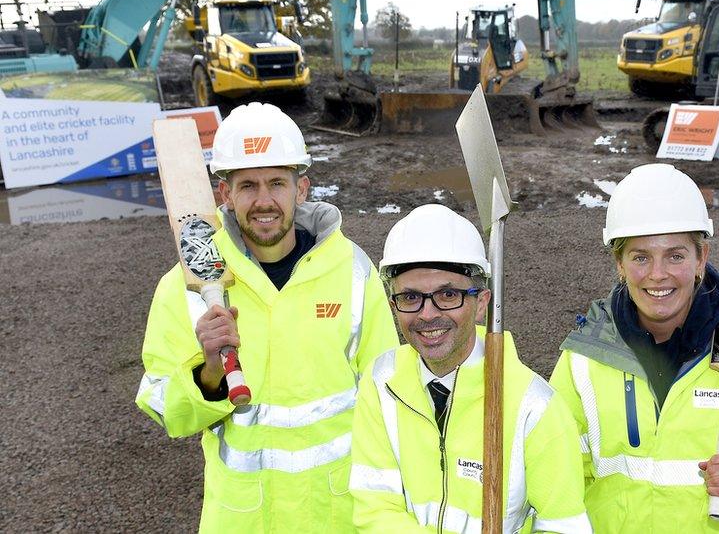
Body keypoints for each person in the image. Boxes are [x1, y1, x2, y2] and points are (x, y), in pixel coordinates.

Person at [135, 102, 399, 532]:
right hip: (243, 519)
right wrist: (209, 375)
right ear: (225, 194)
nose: (264, 200)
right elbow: (166, 412)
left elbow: (387, 394)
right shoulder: (185, 288)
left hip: (338, 517)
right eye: (247, 185)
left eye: (277, 183)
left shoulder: (352, 270)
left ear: (302, 189)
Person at [549, 164, 719, 532]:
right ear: (620, 266)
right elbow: (554, 476)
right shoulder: (584, 357)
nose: (658, 274)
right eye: (641, 257)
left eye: (675, 255)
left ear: (700, 260)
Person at [350, 204, 592, 533]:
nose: (427, 314)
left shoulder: (534, 408)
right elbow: (375, 509)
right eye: (409, 297)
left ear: (481, 303)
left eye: (448, 294)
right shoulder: (382, 384)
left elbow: (563, 527)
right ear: (393, 305)